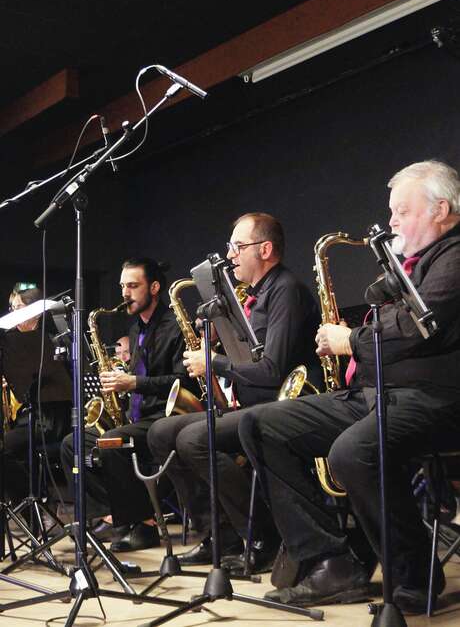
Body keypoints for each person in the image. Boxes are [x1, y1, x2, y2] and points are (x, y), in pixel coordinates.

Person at [238, 160, 460, 613]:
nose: (392, 220)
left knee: (352, 451)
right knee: (260, 425)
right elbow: (394, 329)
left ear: (442, 209)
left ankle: (415, 575)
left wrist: (351, 339)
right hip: (376, 394)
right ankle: (330, 562)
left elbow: (423, 326)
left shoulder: (456, 255)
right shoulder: (410, 264)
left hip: (436, 397)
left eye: (402, 210)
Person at [148, 212, 322, 572]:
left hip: (279, 407)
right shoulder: (253, 296)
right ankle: (219, 532)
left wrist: (215, 362)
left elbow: (273, 370)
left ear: (266, 249)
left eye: (238, 247)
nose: (230, 255)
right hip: (249, 403)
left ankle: (260, 535)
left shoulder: (285, 290)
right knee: (161, 432)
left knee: (195, 439)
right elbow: (246, 357)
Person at [60, 257, 196, 551]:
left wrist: (133, 383)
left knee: (112, 441)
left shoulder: (174, 327)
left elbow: (182, 382)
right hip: (138, 419)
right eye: (123, 286)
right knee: (74, 443)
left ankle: (145, 524)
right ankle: (112, 514)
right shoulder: (136, 330)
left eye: (133, 286)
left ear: (155, 287)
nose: (125, 293)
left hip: (166, 418)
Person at [2, 284, 72, 509]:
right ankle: (26, 504)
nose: (14, 314)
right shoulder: (10, 345)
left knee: (5, 448)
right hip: (26, 419)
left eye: (20, 307)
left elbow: (62, 385)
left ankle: (29, 506)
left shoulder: (53, 340)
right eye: (12, 308)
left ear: (37, 311)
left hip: (51, 421)